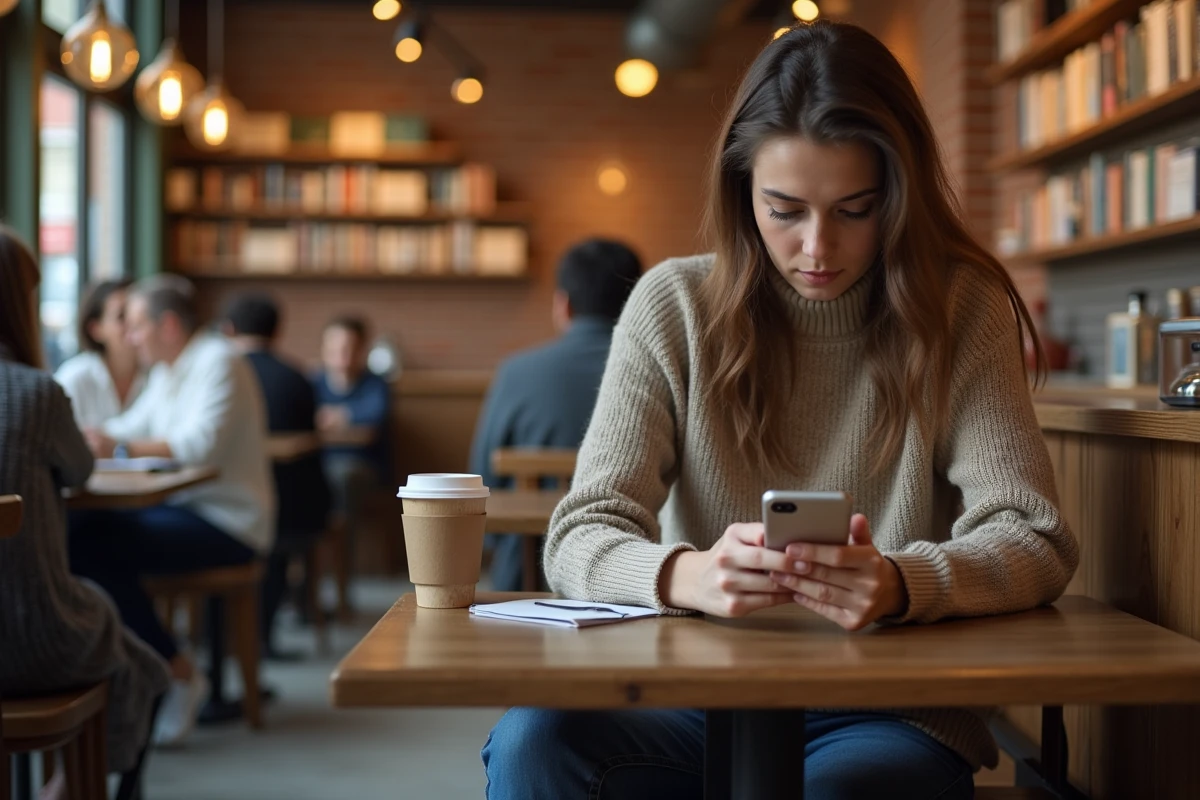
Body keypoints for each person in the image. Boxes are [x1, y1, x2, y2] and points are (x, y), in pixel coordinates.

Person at [481, 21, 1079, 800]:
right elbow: (581, 530)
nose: (817, 247)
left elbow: (1034, 534)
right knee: (536, 743)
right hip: (689, 696)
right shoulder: (674, 305)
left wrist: (903, 582)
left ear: (896, 194)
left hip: (890, 709)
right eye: (785, 209)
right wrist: (687, 574)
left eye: (855, 209)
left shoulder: (958, 308)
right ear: (741, 192)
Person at [68, 274, 274, 746]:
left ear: (168, 325)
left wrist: (113, 442)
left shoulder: (219, 361)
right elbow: (129, 425)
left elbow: (198, 446)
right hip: (186, 510)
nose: (131, 336)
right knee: (87, 535)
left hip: (230, 521)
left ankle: (171, 669)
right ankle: (161, 666)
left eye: (137, 324)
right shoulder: (167, 370)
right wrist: (94, 436)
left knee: (88, 542)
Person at [0, 226, 169, 793]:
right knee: (139, 659)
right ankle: (74, 786)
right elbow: (81, 470)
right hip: (31, 635)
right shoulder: (34, 393)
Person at [469, 239, 642, 590]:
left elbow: (482, 479)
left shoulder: (516, 373)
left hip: (528, 577)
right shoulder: (663, 372)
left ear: (564, 305)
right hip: (640, 575)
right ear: (638, 301)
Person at [221, 292, 332, 660]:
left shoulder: (224, 380)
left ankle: (218, 640)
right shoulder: (298, 377)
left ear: (228, 329)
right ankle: (261, 638)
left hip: (236, 507)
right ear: (278, 330)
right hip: (302, 508)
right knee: (277, 540)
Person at [313, 315, 392, 605]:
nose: (341, 356)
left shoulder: (376, 383)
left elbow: (374, 419)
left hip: (363, 469)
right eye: (334, 349)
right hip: (317, 466)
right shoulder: (313, 381)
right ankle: (300, 583)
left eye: (349, 348)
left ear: (362, 351)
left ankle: (339, 574)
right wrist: (346, 416)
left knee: (341, 477)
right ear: (323, 350)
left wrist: (337, 416)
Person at [54, 279, 146, 429]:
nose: (134, 323)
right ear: (95, 329)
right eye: (122, 316)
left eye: (138, 314)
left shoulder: (159, 376)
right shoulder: (74, 379)